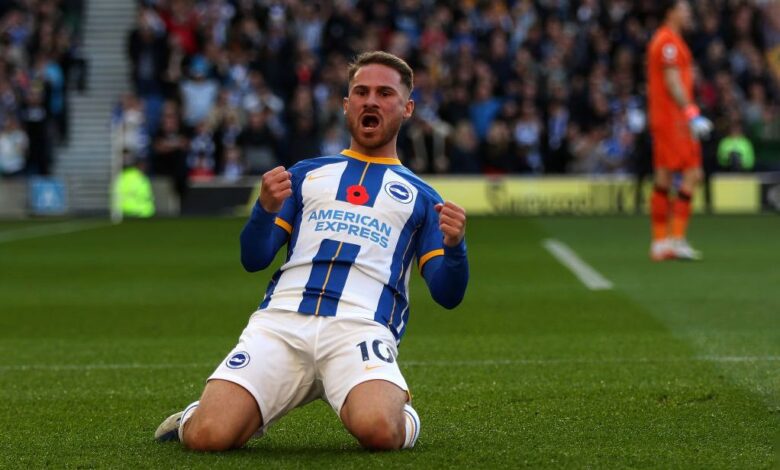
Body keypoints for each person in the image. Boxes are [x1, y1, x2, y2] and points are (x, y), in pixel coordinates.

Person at [154, 51, 469, 451]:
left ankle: (397, 410)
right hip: (281, 324)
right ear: (346, 104)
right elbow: (254, 258)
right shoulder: (304, 175)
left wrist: (456, 248)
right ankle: (196, 415)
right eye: (361, 91)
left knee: (380, 432)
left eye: (385, 93)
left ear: (406, 108)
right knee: (208, 437)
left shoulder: (424, 199)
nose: (371, 100)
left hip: (360, 328)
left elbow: (448, 293)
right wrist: (263, 210)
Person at [646, 0, 713, 261]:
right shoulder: (669, 42)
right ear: (671, 12)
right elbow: (672, 81)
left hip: (664, 118)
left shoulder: (663, 39)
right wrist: (691, 113)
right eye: (684, 9)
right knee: (693, 173)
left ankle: (661, 242)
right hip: (674, 120)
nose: (689, 14)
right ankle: (676, 239)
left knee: (663, 177)